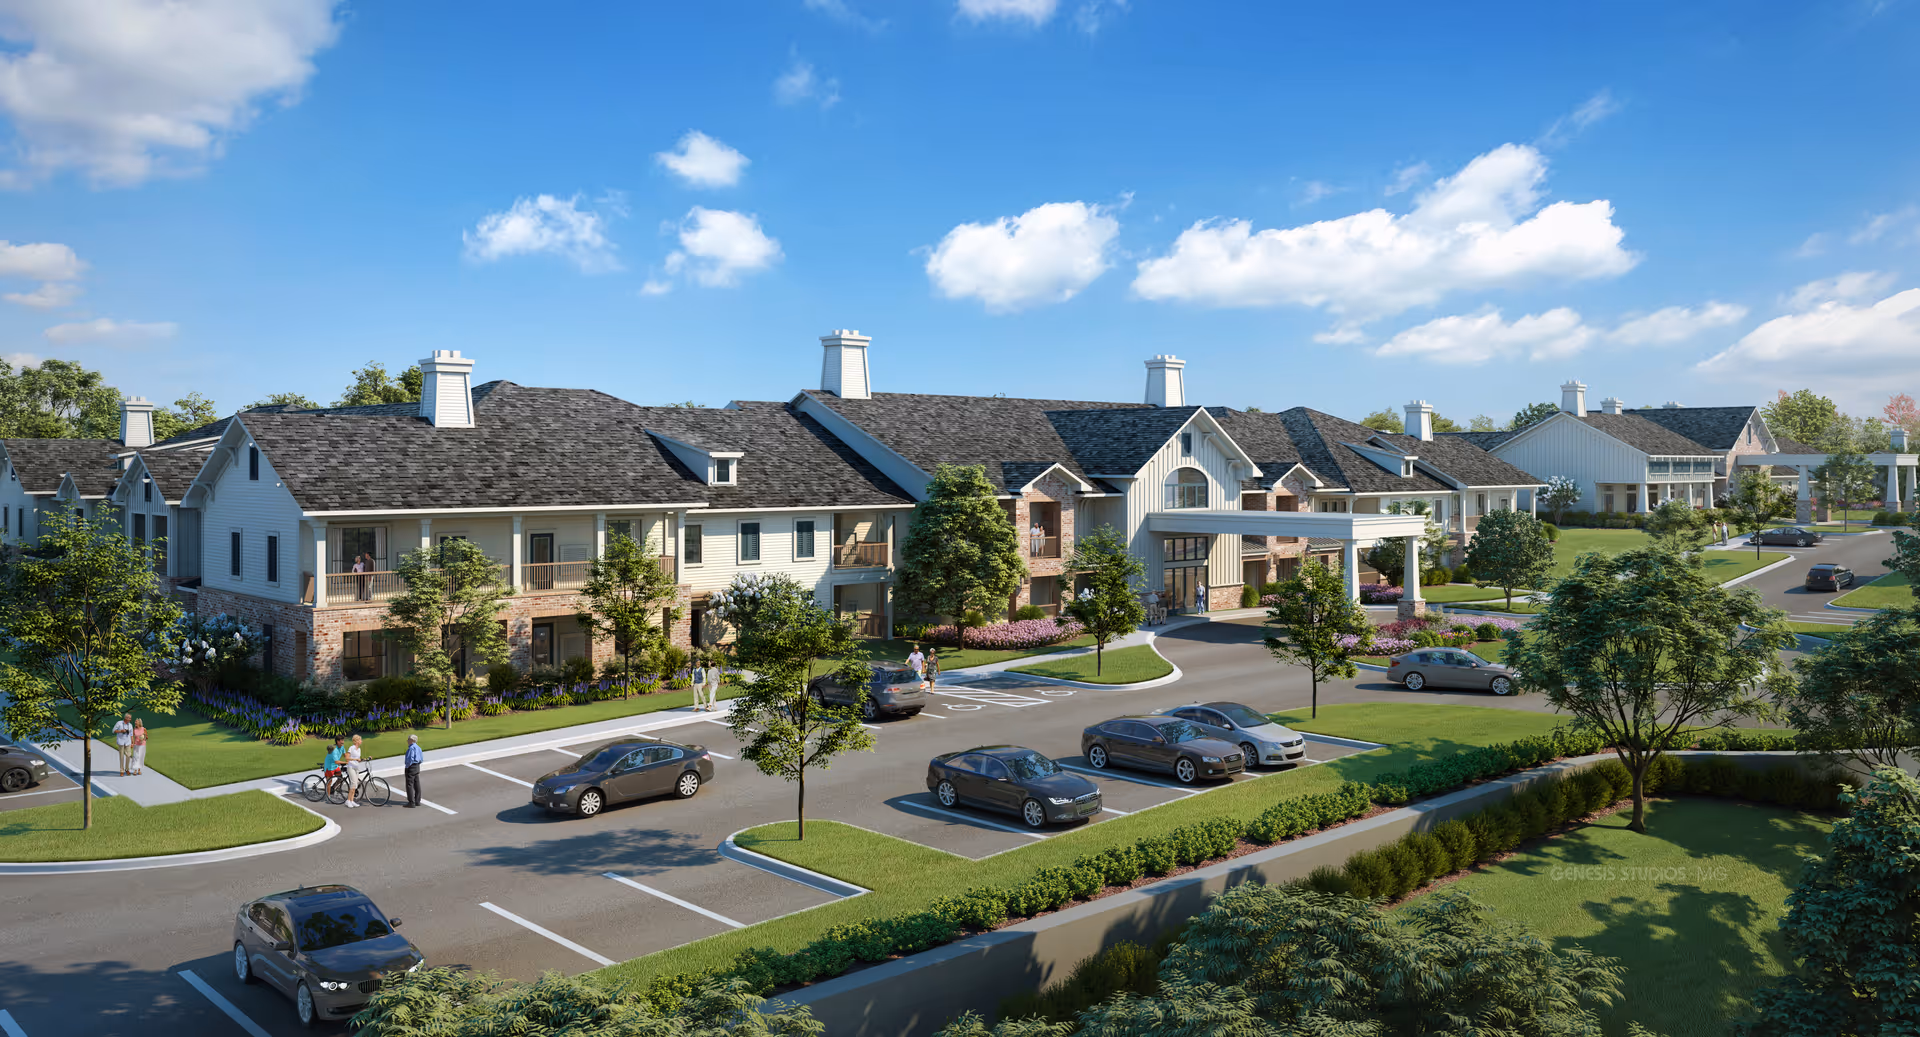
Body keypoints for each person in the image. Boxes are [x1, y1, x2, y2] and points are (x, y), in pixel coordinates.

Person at [344, 734, 367, 807]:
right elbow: (347, 758)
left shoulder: (359, 749)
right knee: (353, 784)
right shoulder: (352, 748)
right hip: (351, 767)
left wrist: (363, 759)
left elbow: (358, 759)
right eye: (360, 740)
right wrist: (355, 759)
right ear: (357, 741)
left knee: (355, 785)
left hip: (356, 767)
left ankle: (352, 800)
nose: (361, 741)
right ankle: (348, 801)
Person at [322, 736, 347, 801]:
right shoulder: (334, 749)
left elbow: (345, 755)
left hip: (335, 766)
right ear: (338, 741)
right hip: (329, 766)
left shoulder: (342, 747)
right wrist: (345, 762)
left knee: (340, 778)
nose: (343, 742)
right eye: (342, 741)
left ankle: (333, 788)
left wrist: (351, 760)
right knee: (329, 782)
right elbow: (336, 761)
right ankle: (328, 797)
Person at [403, 734, 423, 808]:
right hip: (417, 766)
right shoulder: (418, 748)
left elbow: (410, 759)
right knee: (416, 784)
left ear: (412, 740)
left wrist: (407, 767)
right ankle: (417, 800)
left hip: (411, 767)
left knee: (409, 785)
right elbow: (421, 759)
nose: (407, 741)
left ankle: (411, 802)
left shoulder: (411, 748)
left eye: (408, 739)